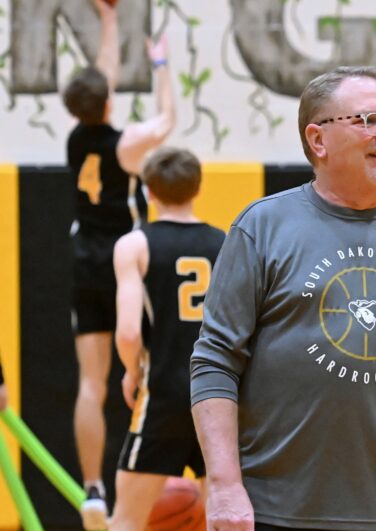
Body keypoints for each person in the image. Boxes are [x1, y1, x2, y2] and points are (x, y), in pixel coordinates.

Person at [190, 66, 376, 531]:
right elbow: (214, 363)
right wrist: (224, 486)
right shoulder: (261, 228)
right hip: (274, 515)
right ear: (318, 140)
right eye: (367, 120)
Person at [62, 1, 176, 528]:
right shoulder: (127, 146)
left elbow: (96, 88)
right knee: (145, 371)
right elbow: (169, 120)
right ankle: (144, 472)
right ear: (107, 103)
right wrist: (159, 65)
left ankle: (93, 488)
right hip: (126, 258)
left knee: (92, 383)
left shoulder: (76, 138)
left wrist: (109, 25)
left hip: (84, 256)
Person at [109, 147, 224, 531]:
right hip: (218, 395)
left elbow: (127, 332)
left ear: (149, 192)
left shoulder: (134, 245)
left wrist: (132, 372)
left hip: (165, 391)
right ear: (198, 188)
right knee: (225, 522)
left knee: (125, 521)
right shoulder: (226, 243)